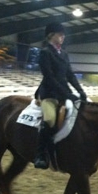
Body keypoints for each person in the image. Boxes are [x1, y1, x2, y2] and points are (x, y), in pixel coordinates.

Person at [34, 22, 87, 169]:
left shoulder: (64, 53)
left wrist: (80, 91)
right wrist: (68, 94)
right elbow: (49, 78)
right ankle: (40, 154)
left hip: (63, 93)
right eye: (60, 34)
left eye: (63, 35)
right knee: (50, 119)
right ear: (52, 35)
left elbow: (69, 75)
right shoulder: (45, 52)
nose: (63, 37)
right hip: (49, 94)